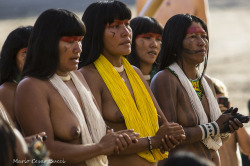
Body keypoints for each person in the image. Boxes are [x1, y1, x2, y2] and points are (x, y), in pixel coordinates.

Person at [15, 8, 139, 166]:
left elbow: (99, 131)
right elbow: (42, 151)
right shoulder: (31, 87)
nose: (78, 48)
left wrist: (116, 138)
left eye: (80, 40)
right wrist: (100, 147)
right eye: (70, 41)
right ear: (48, 43)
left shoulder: (78, 77)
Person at [79, 1, 185, 166]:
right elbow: (100, 142)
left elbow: (164, 125)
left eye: (127, 24)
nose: (126, 32)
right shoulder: (88, 75)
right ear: (96, 32)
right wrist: (154, 141)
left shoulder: (134, 72)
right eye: (115, 26)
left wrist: (171, 134)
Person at [150, 14, 245, 166]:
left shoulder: (206, 82)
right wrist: (216, 126)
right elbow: (169, 137)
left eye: (204, 36)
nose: (202, 43)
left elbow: (214, 131)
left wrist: (227, 124)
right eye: (193, 36)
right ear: (176, 42)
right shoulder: (165, 79)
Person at [212, 78, 250, 166]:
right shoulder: (204, 124)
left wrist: (233, 116)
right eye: (216, 102)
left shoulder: (232, 123)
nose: (220, 105)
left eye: (222, 100)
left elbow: (248, 149)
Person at [0, 26, 32, 129]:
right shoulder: (7, 91)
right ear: (12, 57)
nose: (33, 57)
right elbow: (9, 139)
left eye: (38, 51)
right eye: (26, 52)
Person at [127, 16, 163, 85]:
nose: (154, 44)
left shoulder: (166, 79)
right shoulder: (120, 78)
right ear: (130, 40)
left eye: (158, 39)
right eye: (147, 37)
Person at [137, 0, 209, 27]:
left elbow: (204, 33)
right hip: (155, 55)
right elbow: (138, 29)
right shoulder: (144, 1)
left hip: (183, 55)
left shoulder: (198, 1)